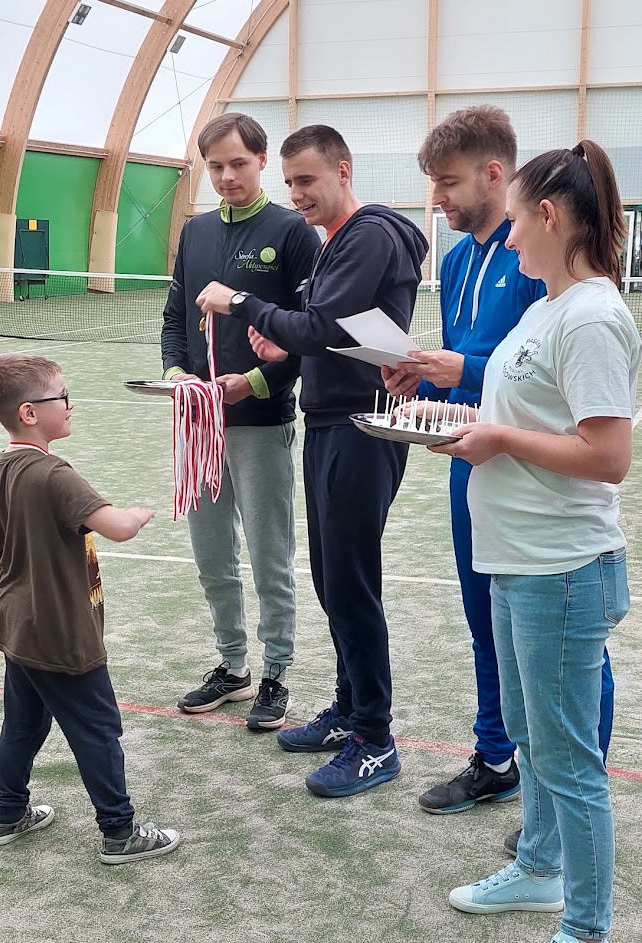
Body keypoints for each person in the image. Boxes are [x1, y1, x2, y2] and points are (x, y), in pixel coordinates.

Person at [383, 107, 615, 841]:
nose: (438, 199)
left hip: (541, 482)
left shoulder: (544, 270)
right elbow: (483, 367)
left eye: (448, 183)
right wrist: (429, 376)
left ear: (495, 175)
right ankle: (497, 758)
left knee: (570, 649)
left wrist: (464, 371)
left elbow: (536, 380)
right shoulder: (456, 261)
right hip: (475, 462)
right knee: (489, 625)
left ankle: (574, 793)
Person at [435, 142, 640, 943]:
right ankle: (540, 867)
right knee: (532, 738)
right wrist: (459, 421)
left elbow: (608, 455)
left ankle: (585, 926)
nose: (510, 235)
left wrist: (499, 441)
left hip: (563, 568)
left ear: (548, 216)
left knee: (569, 762)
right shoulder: (546, 309)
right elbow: (522, 418)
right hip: (517, 560)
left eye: (518, 219)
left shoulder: (591, 316)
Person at [196, 124, 428, 797]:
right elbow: (327, 332)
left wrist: (243, 303)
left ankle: (375, 740)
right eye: (290, 182)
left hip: (363, 427)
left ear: (342, 171)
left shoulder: (371, 235)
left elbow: (322, 326)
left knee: (350, 583)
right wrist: (287, 344)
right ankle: (350, 711)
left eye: (307, 180)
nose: (296, 193)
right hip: (329, 421)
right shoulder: (337, 242)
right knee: (331, 579)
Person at [0, 353, 180, 865]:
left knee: (22, 724)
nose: (71, 404)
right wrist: (139, 513)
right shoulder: (53, 474)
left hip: (19, 626)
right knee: (97, 727)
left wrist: (24, 590)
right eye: (62, 396)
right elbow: (118, 527)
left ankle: (8, 813)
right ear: (29, 412)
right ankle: (119, 831)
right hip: (61, 633)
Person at [161, 113, 321, 730]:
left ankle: (276, 672)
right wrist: (178, 374)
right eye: (216, 167)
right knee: (211, 556)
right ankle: (232, 666)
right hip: (198, 425)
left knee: (268, 555)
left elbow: (306, 335)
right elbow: (175, 318)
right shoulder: (196, 232)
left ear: (260, 162)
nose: (227, 177)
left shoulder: (292, 231)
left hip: (261, 422)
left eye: (238, 164)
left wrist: (250, 384)